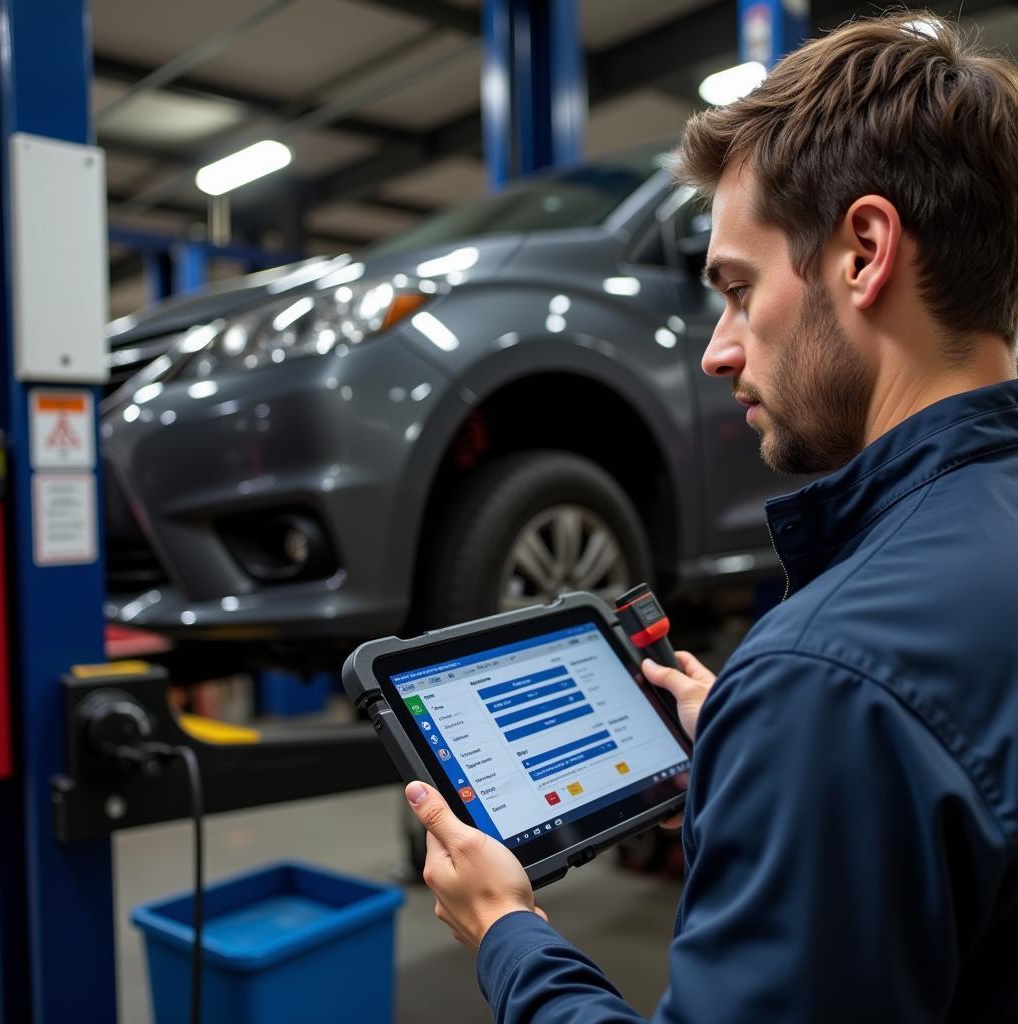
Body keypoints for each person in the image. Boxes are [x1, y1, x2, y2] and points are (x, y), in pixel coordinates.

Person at [403, 14, 1018, 1022]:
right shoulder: (842, 684)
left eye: (737, 289)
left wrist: (510, 937)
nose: (716, 351)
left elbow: (864, 696)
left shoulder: (828, 683)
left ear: (863, 251)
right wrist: (758, 737)